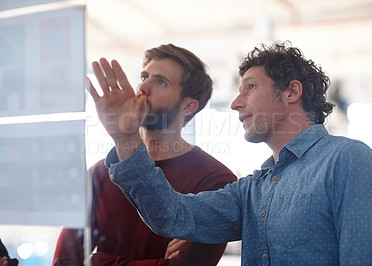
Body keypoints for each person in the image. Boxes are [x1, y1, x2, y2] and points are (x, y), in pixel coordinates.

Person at [87, 41, 372, 265]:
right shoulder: (252, 189)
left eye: (249, 87)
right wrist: (125, 138)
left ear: (291, 92)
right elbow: (172, 216)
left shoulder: (347, 160)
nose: (235, 102)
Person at [53, 44, 237, 265]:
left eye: (160, 81)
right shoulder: (101, 173)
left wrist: (94, 261)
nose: (142, 87)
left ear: (188, 106)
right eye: (144, 76)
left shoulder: (216, 180)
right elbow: (63, 260)